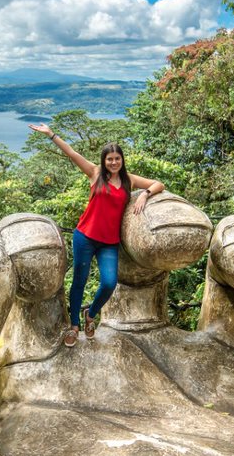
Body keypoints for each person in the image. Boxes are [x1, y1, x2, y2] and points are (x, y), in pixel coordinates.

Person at [29, 124, 165, 347]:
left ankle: (90, 315)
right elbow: (72, 154)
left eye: (117, 159)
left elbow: (158, 184)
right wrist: (51, 134)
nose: (113, 162)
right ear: (104, 161)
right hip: (85, 236)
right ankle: (74, 327)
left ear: (122, 160)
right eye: (109, 159)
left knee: (109, 282)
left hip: (109, 242)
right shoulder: (95, 173)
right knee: (79, 282)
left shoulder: (129, 180)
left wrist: (145, 195)